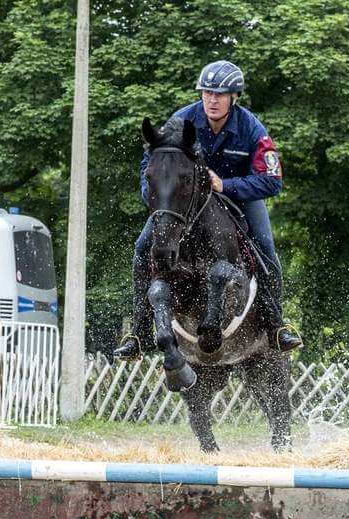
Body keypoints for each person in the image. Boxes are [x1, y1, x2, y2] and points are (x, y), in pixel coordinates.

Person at [113, 60, 303, 360]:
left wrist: (226, 186)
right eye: (207, 93)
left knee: (266, 246)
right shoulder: (180, 121)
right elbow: (151, 164)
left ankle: (276, 325)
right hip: (185, 204)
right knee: (141, 248)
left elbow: (271, 180)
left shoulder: (252, 128)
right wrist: (154, 195)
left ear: (234, 97)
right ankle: (138, 331)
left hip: (239, 197)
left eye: (220, 94)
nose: (212, 100)